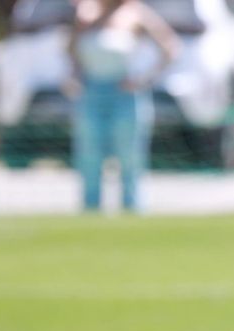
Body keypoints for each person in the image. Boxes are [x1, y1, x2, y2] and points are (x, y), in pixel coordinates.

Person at [66, 0, 180, 214]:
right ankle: (90, 209)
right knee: (89, 153)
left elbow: (170, 48)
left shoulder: (136, 13)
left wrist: (144, 79)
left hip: (125, 93)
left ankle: (132, 207)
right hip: (91, 91)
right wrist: (74, 76)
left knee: (129, 155)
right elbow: (71, 49)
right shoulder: (86, 12)